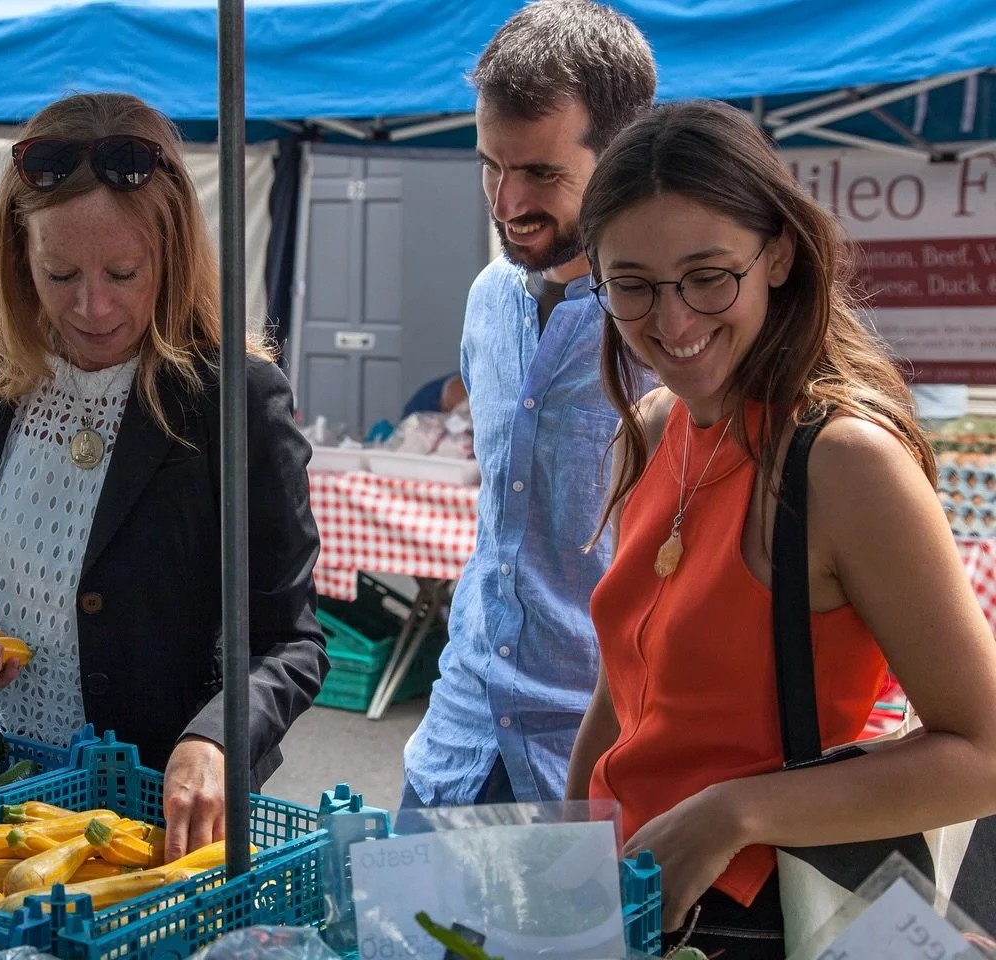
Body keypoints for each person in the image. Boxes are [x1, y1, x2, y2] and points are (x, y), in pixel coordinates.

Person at [568, 100, 996, 955]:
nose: (674, 321)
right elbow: (630, 685)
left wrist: (736, 810)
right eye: (634, 286)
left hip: (771, 921)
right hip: (634, 908)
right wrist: (571, 845)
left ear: (778, 256)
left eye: (707, 275)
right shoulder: (656, 427)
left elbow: (984, 751)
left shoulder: (845, 463)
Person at [0, 92, 329, 861]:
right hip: (4, 793)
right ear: (19, 259)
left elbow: (292, 644)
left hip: (157, 818)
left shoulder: (232, 398)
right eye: (59, 273)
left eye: (123, 271)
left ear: (170, 255)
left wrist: (215, 739)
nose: (92, 305)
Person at [401, 0, 656, 809]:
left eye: (541, 173)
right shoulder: (488, 298)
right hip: (459, 730)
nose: (507, 201)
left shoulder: (668, 326)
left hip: (594, 748)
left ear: (618, 155)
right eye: (489, 164)